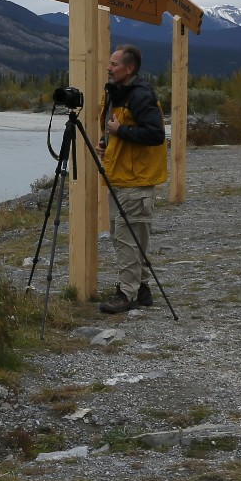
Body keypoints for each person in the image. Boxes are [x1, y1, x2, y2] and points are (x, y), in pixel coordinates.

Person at [98, 44, 167, 313]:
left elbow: (155, 135)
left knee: (127, 239)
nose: (109, 68)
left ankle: (127, 294)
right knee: (124, 237)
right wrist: (106, 143)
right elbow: (116, 132)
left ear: (130, 68)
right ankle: (142, 288)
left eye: (114, 64)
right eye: (110, 63)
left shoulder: (140, 96)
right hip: (121, 178)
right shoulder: (117, 93)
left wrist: (121, 131)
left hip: (136, 182)